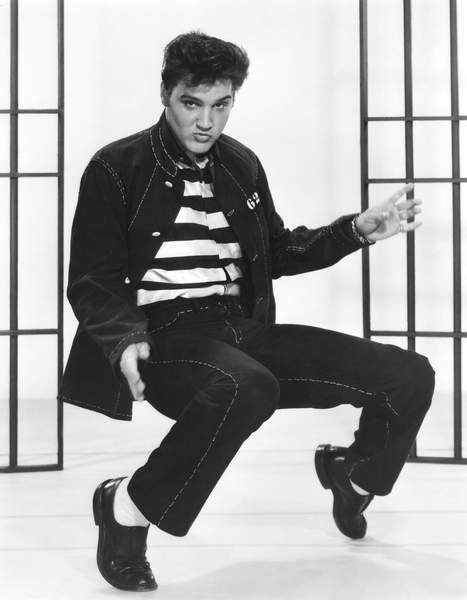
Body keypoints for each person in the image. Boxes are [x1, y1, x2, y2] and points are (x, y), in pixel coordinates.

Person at [60, 31, 435, 592]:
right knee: (247, 385)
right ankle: (126, 509)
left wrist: (355, 231)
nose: (206, 121)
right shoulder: (116, 167)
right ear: (166, 95)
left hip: (240, 331)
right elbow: (91, 279)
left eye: (221, 105)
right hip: (163, 338)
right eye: (192, 103)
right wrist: (124, 338)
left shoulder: (240, 164)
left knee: (408, 374)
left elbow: (276, 251)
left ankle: (352, 475)